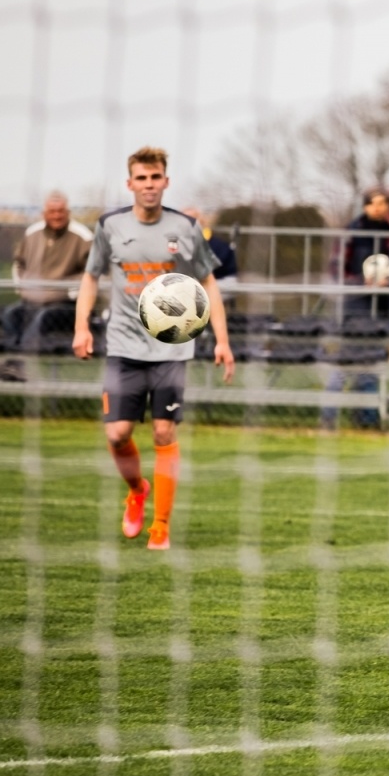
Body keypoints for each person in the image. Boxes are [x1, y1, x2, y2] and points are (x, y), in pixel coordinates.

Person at [73, 147, 234, 551]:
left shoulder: (185, 226)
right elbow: (91, 277)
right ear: (130, 184)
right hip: (124, 344)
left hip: (172, 347)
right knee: (117, 434)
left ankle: (160, 525)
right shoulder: (110, 225)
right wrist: (82, 328)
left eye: (155, 177)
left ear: (166, 181)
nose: (149, 185)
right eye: (141, 178)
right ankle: (137, 489)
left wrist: (223, 341)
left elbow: (208, 282)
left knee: (164, 431)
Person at [5, 192, 92, 352]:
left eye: (61, 211)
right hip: (31, 301)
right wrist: (23, 288)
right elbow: (19, 264)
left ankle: (23, 359)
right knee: (10, 314)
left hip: (65, 304)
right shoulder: (32, 234)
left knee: (43, 318)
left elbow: (92, 273)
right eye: (52, 211)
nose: (56, 216)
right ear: (44, 214)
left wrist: (68, 292)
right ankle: (13, 353)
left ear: (68, 213)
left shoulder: (83, 236)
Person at [343, 189, 389, 321]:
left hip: (384, 299)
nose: (376, 207)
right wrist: (360, 281)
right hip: (357, 299)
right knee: (356, 335)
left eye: (381, 203)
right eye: (372, 203)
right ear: (365, 206)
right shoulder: (352, 231)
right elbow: (338, 265)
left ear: (387, 206)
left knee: (381, 335)